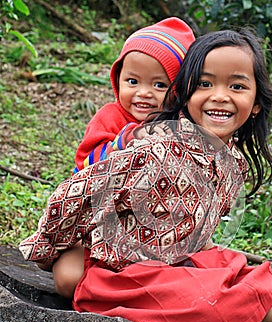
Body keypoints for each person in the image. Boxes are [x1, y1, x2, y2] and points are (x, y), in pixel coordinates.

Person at [19, 28, 272, 322]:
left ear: (255, 104)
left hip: (178, 261)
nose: (219, 96)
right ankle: (231, 319)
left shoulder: (232, 160)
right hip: (125, 271)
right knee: (262, 302)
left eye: (236, 86)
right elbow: (75, 194)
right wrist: (51, 248)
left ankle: (234, 314)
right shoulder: (155, 148)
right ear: (185, 95)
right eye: (205, 84)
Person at [52, 17, 196, 298]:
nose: (143, 93)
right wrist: (124, 141)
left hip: (151, 234)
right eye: (132, 81)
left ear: (179, 90)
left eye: (159, 85)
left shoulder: (180, 127)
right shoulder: (111, 117)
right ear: (117, 80)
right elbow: (87, 163)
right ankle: (110, 287)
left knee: (184, 275)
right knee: (68, 281)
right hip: (93, 225)